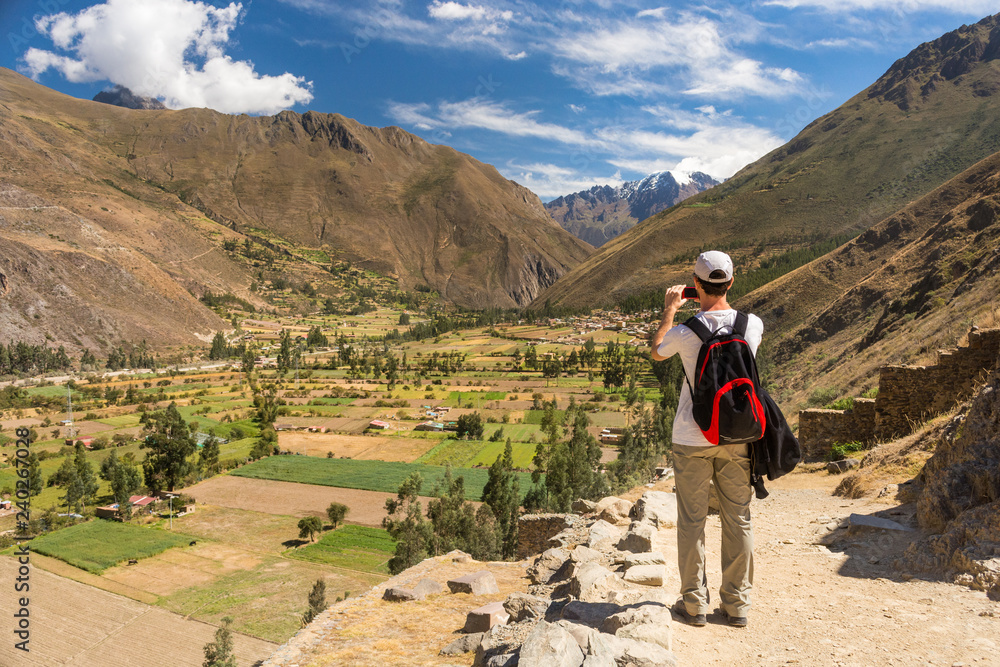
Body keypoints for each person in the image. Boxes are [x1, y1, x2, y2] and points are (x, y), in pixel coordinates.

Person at [650, 250, 763, 629]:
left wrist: (670, 309)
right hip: (738, 436)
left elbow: (657, 351)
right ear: (731, 283)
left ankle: (694, 605)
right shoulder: (752, 325)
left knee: (692, 521)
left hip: (691, 436)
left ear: (695, 286)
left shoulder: (686, 332)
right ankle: (737, 605)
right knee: (738, 519)